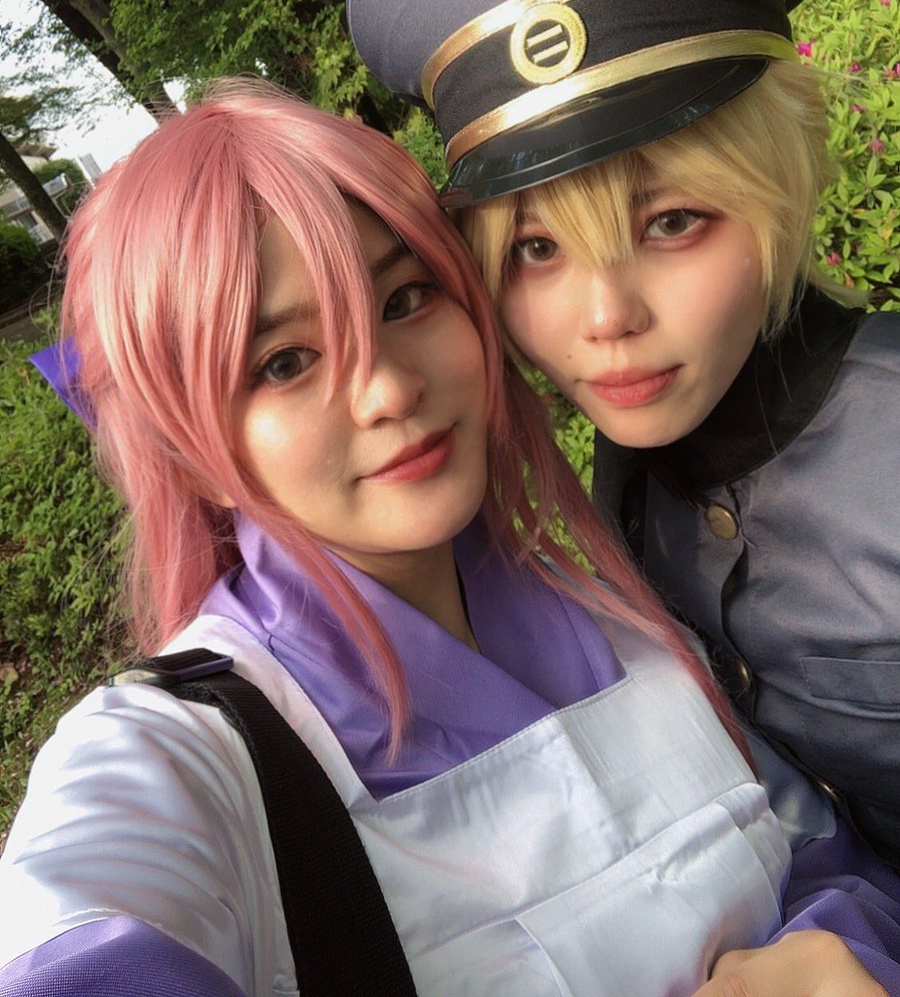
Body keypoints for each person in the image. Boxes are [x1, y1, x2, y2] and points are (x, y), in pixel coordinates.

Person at [2, 81, 899, 997]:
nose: (388, 389)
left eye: (404, 299)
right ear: (190, 454)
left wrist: (843, 951)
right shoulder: (182, 753)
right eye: (284, 362)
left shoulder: (614, 600)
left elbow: (824, 859)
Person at [346, 0, 900, 868]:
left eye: (672, 222)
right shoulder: (628, 472)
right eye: (536, 250)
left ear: (779, 189)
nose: (605, 322)